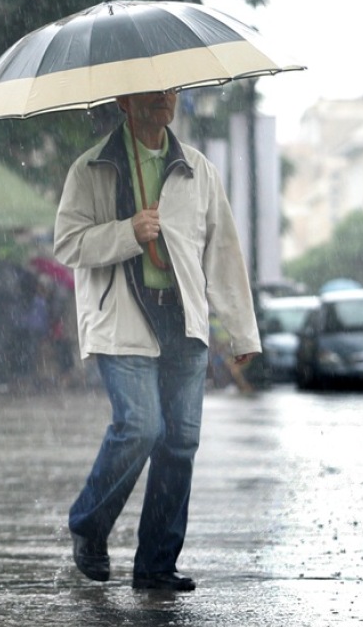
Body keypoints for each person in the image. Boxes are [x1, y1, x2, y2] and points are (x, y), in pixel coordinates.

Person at [53, 89, 261, 592]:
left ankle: (156, 566)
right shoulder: (91, 169)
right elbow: (67, 243)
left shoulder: (197, 170)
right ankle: (89, 525)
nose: (163, 99)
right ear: (125, 100)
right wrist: (127, 231)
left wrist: (240, 329)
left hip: (183, 322)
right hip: (122, 320)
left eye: (170, 90)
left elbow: (223, 252)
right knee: (141, 427)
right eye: (150, 92)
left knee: (180, 442)